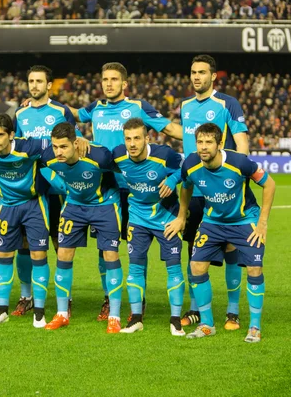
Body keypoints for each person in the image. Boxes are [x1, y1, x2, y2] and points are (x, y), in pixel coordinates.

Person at [68, 62, 176, 321]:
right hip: (104, 188)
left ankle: (140, 301)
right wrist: (74, 132)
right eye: (105, 79)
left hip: (139, 190)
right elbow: (70, 114)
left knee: (138, 250)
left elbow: (169, 128)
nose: (108, 84)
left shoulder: (138, 107)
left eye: (114, 79)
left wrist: (203, 146)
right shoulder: (95, 108)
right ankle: (109, 298)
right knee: (105, 249)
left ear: (124, 84)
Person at [164, 123, 275, 343]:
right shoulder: (191, 163)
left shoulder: (239, 162)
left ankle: (254, 327)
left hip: (244, 220)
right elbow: (185, 186)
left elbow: (269, 184)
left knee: (254, 268)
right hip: (212, 221)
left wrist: (262, 222)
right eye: (200, 142)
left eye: (208, 142)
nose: (203, 147)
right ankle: (207, 325)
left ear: (219, 144)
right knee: (196, 266)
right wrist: (181, 216)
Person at [164, 55, 250, 330]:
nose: (196, 76)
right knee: (194, 246)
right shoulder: (186, 106)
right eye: (193, 72)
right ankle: (196, 309)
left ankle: (233, 311)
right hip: (194, 188)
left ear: (213, 76)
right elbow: (187, 139)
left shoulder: (228, 104)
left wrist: (235, 177)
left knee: (230, 245)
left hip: (222, 188)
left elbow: (241, 142)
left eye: (202, 72)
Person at [0, 114, 55, 328]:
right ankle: (1, 310)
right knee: (3, 255)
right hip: (7, 206)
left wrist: (81, 140)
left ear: (11, 135)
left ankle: (39, 312)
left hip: (34, 205)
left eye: (0, 135)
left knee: (38, 254)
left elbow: (56, 141)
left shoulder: (29, 146)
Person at [10, 65, 79, 317]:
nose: (35, 85)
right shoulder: (20, 114)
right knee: (25, 245)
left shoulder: (61, 111)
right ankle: (26, 296)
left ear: (49, 85)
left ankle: (65, 298)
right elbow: (13, 148)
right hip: (29, 190)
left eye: (39, 81)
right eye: (31, 81)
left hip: (58, 189)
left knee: (61, 243)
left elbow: (77, 141)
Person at [42, 122, 123, 333]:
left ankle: (114, 316)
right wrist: (58, 183)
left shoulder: (99, 157)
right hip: (74, 206)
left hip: (104, 205)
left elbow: (122, 169)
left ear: (76, 143)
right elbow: (40, 164)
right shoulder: (48, 156)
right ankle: (62, 313)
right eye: (55, 147)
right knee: (63, 255)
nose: (58, 152)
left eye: (64, 147)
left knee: (110, 256)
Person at [111, 118, 185, 335]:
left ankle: (175, 320)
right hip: (137, 217)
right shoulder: (118, 155)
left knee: (173, 268)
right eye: (128, 139)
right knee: (135, 267)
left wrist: (174, 179)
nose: (132, 144)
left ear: (147, 138)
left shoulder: (165, 155)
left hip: (166, 217)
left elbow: (188, 166)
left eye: (136, 138)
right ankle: (136, 318)